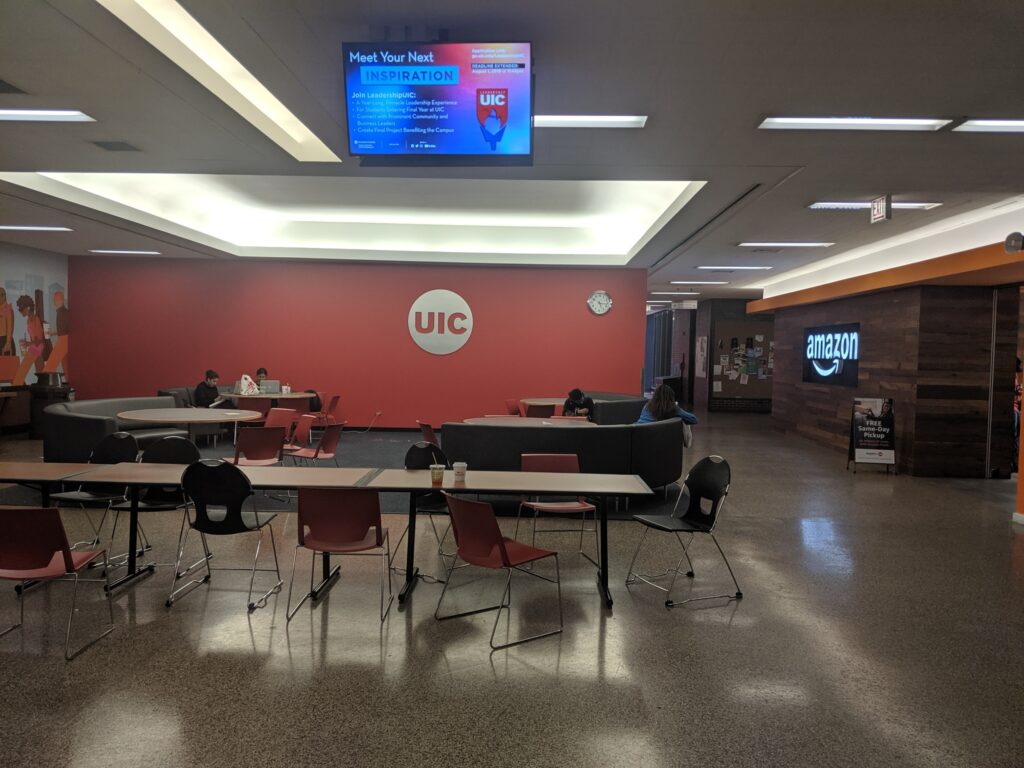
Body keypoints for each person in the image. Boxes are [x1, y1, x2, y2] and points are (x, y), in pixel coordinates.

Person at [13, 294, 45, 386]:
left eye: (21, 309)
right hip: (34, 347)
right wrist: (28, 343)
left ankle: (17, 386)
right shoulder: (29, 320)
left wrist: (28, 343)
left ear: (28, 308)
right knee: (40, 371)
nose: (20, 312)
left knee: (22, 370)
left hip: (37, 347)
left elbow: (39, 340)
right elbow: (34, 338)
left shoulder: (35, 319)